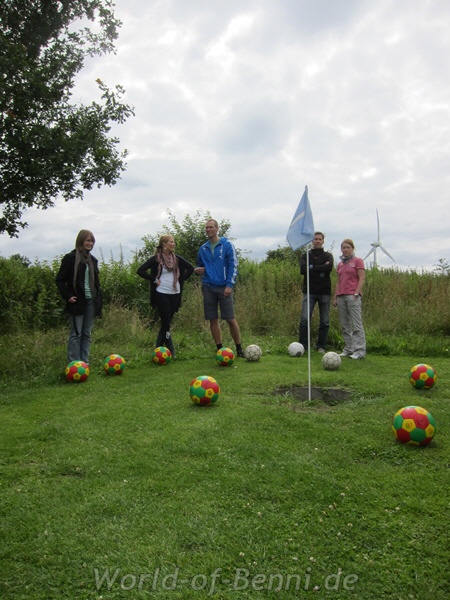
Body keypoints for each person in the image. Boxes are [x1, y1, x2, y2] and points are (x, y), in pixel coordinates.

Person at [137, 235, 194, 358]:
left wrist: (181, 279)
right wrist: (154, 279)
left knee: (166, 323)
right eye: (171, 242)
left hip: (175, 293)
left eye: (174, 242)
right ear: (164, 244)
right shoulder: (156, 259)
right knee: (166, 321)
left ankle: (158, 350)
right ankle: (170, 350)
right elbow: (140, 270)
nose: (174, 244)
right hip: (161, 293)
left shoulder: (177, 259)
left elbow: (190, 268)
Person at [194, 218, 244, 357]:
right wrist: (196, 270)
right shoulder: (203, 248)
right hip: (208, 286)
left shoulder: (227, 244)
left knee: (230, 318)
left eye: (211, 227)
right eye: (206, 227)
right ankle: (220, 349)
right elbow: (199, 265)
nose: (208, 230)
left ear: (217, 229)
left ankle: (239, 349)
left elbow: (233, 265)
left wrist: (229, 285)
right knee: (213, 319)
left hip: (223, 287)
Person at [55, 229, 102, 364]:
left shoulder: (93, 260)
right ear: (81, 241)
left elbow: (96, 283)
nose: (90, 243)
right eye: (88, 240)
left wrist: (98, 298)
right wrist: (68, 296)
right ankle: (73, 364)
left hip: (91, 301)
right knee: (76, 334)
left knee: (87, 334)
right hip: (77, 301)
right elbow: (59, 280)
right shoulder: (70, 258)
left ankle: (84, 362)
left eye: (92, 241)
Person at [299, 231, 334, 353]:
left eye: (320, 239)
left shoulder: (328, 256)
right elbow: (303, 270)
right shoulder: (305, 255)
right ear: (312, 241)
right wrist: (320, 268)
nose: (318, 241)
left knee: (324, 321)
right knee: (305, 319)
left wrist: (312, 267)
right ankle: (303, 345)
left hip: (324, 291)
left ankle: (321, 346)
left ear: (323, 241)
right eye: (315, 239)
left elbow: (328, 268)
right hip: (309, 291)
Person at [333, 238, 366, 359]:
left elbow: (362, 278)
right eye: (343, 248)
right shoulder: (340, 264)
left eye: (348, 247)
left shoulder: (358, 261)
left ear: (352, 248)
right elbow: (339, 281)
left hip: (352, 296)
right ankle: (349, 348)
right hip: (341, 296)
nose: (345, 250)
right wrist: (335, 297)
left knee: (356, 325)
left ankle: (360, 351)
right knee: (344, 325)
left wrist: (356, 293)